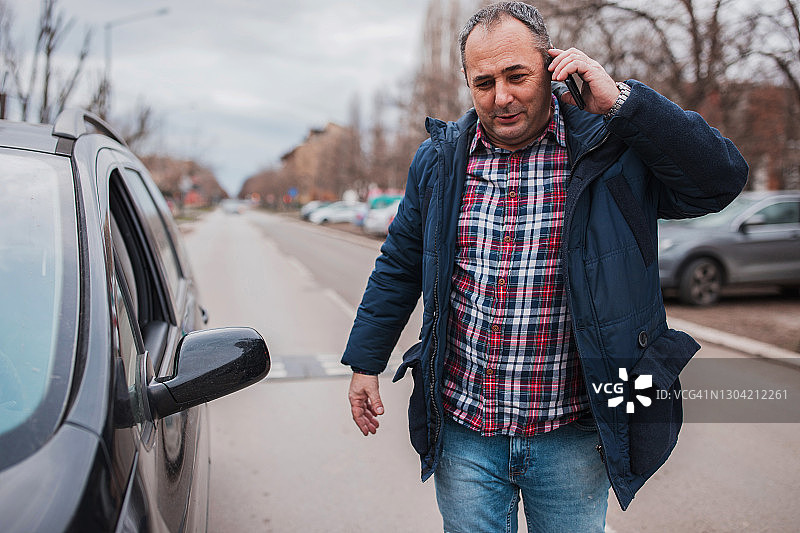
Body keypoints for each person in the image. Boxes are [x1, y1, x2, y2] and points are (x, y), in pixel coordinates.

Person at [341, 2, 748, 531]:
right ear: (467, 82)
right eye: (483, 82)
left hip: (573, 435)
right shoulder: (440, 161)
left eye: (516, 76)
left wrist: (624, 104)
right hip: (466, 433)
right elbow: (398, 265)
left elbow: (720, 181)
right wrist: (365, 363)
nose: (501, 97)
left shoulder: (611, 149)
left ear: (553, 66)